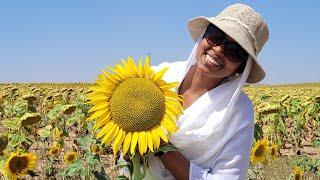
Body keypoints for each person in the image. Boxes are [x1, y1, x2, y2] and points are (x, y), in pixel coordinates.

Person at [144, 3, 269, 180]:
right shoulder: (159, 76)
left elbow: (228, 177)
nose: (218, 50)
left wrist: (159, 146)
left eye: (234, 51)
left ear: (240, 68)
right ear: (203, 37)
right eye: (216, 36)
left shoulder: (238, 111)